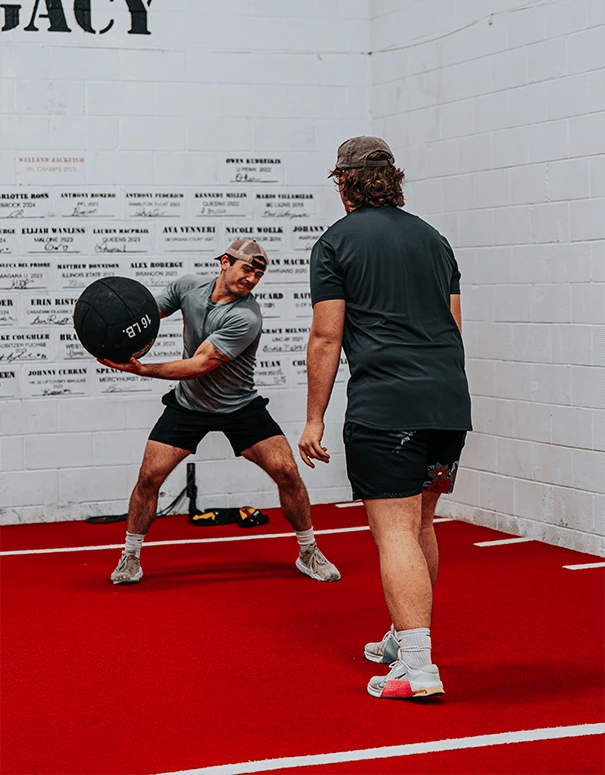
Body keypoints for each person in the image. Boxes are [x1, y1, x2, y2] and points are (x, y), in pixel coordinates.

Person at [298, 137, 472, 699]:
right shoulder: (434, 239)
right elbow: (454, 326)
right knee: (420, 523)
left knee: (394, 530)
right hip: (447, 404)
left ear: (343, 183)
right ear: (392, 180)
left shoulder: (335, 243)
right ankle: (405, 640)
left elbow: (327, 336)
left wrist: (314, 418)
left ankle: (418, 669)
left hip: (387, 407)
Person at [103, 238, 340, 586]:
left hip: (239, 405)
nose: (252, 279)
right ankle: (131, 557)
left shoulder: (247, 316)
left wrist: (142, 369)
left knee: (286, 471)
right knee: (149, 477)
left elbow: (200, 365)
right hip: (189, 405)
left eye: (259, 275)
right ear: (225, 262)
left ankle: (308, 551)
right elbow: (142, 317)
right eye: (247, 269)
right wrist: (104, 323)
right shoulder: (187, 287)